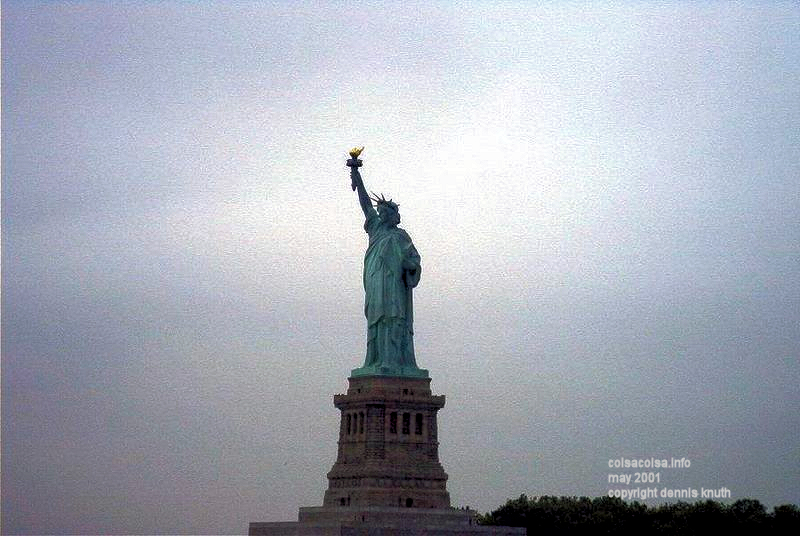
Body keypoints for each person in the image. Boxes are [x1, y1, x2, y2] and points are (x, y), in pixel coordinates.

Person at [349, 164, 422, 373]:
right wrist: (356, 174)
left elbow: (414, 261)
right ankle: (374, 360)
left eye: (383, 212)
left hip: (394, 285)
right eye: (379, 212)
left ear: (393, 215)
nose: (380, 215)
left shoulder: (401, 237)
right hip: (375, 280)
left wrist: (411, 266)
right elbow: (364, 203)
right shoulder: (375, 228)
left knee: (394, 319)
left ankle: (394, 361)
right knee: (376, 320)